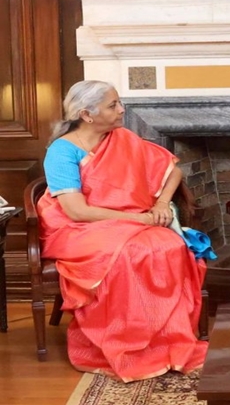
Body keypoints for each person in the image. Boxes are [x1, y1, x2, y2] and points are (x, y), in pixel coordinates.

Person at [37, 80, 210, 382]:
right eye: (113, 105)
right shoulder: (62, 152)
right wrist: (140, 221)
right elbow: (76, 211)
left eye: (118, 103)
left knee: (170, 245)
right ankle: (126, 343)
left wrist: (161, 203)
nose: (122, 110)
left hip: (128, 220)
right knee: (132, 252)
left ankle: (164, 338)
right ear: (87, 115)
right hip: (78, 229)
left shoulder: (122, 138)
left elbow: (174, 171)